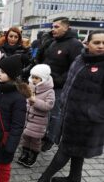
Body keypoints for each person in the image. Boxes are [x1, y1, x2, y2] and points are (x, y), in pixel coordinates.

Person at [38, 30, 104, 182]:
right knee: (77, 152)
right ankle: (74, 178)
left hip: (87, 122)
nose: (101, 46)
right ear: (87, 43)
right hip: (70, 116)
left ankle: (43, 179)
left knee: (65, 151)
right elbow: (69, 83)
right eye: (97, 42)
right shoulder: (81, 59)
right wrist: (63, 101)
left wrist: (92, 113)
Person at [41, 17, 83, 151]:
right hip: (46, 84)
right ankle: (44, 133)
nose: (53, 29)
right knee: (46, 112)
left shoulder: (75, 44)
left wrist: (59, 80)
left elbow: (75, 67)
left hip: (60, 86)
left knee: (55, 114)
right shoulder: (53, 42)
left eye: (57, 27)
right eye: (52, 27)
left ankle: (51, 138)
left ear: (66, 27)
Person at [17, 64, 55, 168]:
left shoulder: (49, 91)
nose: (33, 80)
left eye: (36, 78)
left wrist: (35, 101)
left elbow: (49, 105)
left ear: (43, 78)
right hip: (27, 118)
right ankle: (25, 152)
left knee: (35, 140)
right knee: (25, 137)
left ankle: (33, 155)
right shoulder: (30, 86)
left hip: (39, 121)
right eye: (32, 77)